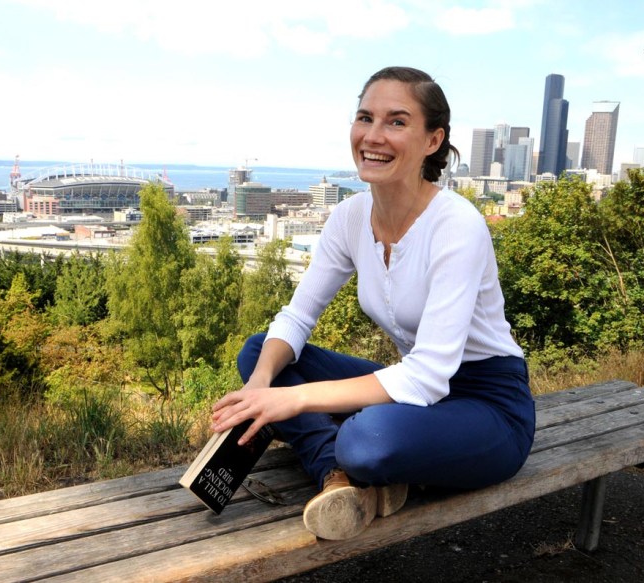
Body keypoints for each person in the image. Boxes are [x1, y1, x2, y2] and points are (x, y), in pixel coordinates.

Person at [211, 66, 535, 541]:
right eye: (365, 117)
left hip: (487, 406)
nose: (374, 135)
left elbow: (427, 375)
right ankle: (337, 478)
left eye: (397, 122)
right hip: (419, 394)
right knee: (261, 352)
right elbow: (298, 316)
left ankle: (348, 462)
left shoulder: (456, 225)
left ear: (432, 140)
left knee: (367, 439)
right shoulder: (350, 217)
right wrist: (259, 386)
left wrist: (290, 399)